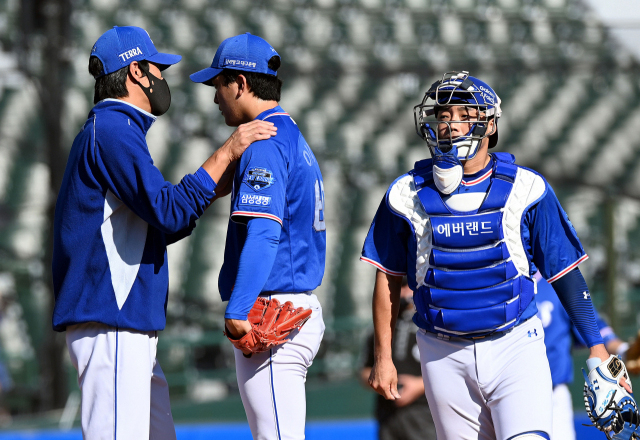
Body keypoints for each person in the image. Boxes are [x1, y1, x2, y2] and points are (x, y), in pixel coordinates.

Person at [360, 70, 633, 440]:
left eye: (462, 114)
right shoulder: (404, 193)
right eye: (443, 115)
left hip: (515, 344)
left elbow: (565, 274)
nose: (450, 124)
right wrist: (383, 357)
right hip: (441, 350)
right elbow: (387, 279)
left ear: (489, 124)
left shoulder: (527, 187)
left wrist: (597, 348)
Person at [52, 26, 276, 440]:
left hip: (123, 324)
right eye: (158, 67)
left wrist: (210, 188)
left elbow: (154, 228)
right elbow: (169, 213)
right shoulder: (114, 128)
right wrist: (227, 152)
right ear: (136, 71)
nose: (162, 76)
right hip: (111, 319)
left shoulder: (114, 130)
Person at [190, 33, 326, 440]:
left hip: (273, 309)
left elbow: (265, 233)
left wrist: (237, 311)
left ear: (241, 84)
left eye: (219, 84)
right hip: (292, 302)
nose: (216, 96)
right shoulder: (288, 134)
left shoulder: (263, 142)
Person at [535, 272, 630, 440]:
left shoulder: (556, 282)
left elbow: (597, 332)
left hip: (553, 394)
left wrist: (624, 350)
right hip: (503, 393)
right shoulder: (502, 280)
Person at [361, 278, 436, 440]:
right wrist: (383, 382)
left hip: (425, 412)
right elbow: (364, 370)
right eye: (399, 287)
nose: (403, 292)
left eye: (408, 286)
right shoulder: (379, 327)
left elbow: (450, 368)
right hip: (388, 414)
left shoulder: (432, 323)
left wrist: (419, 385)